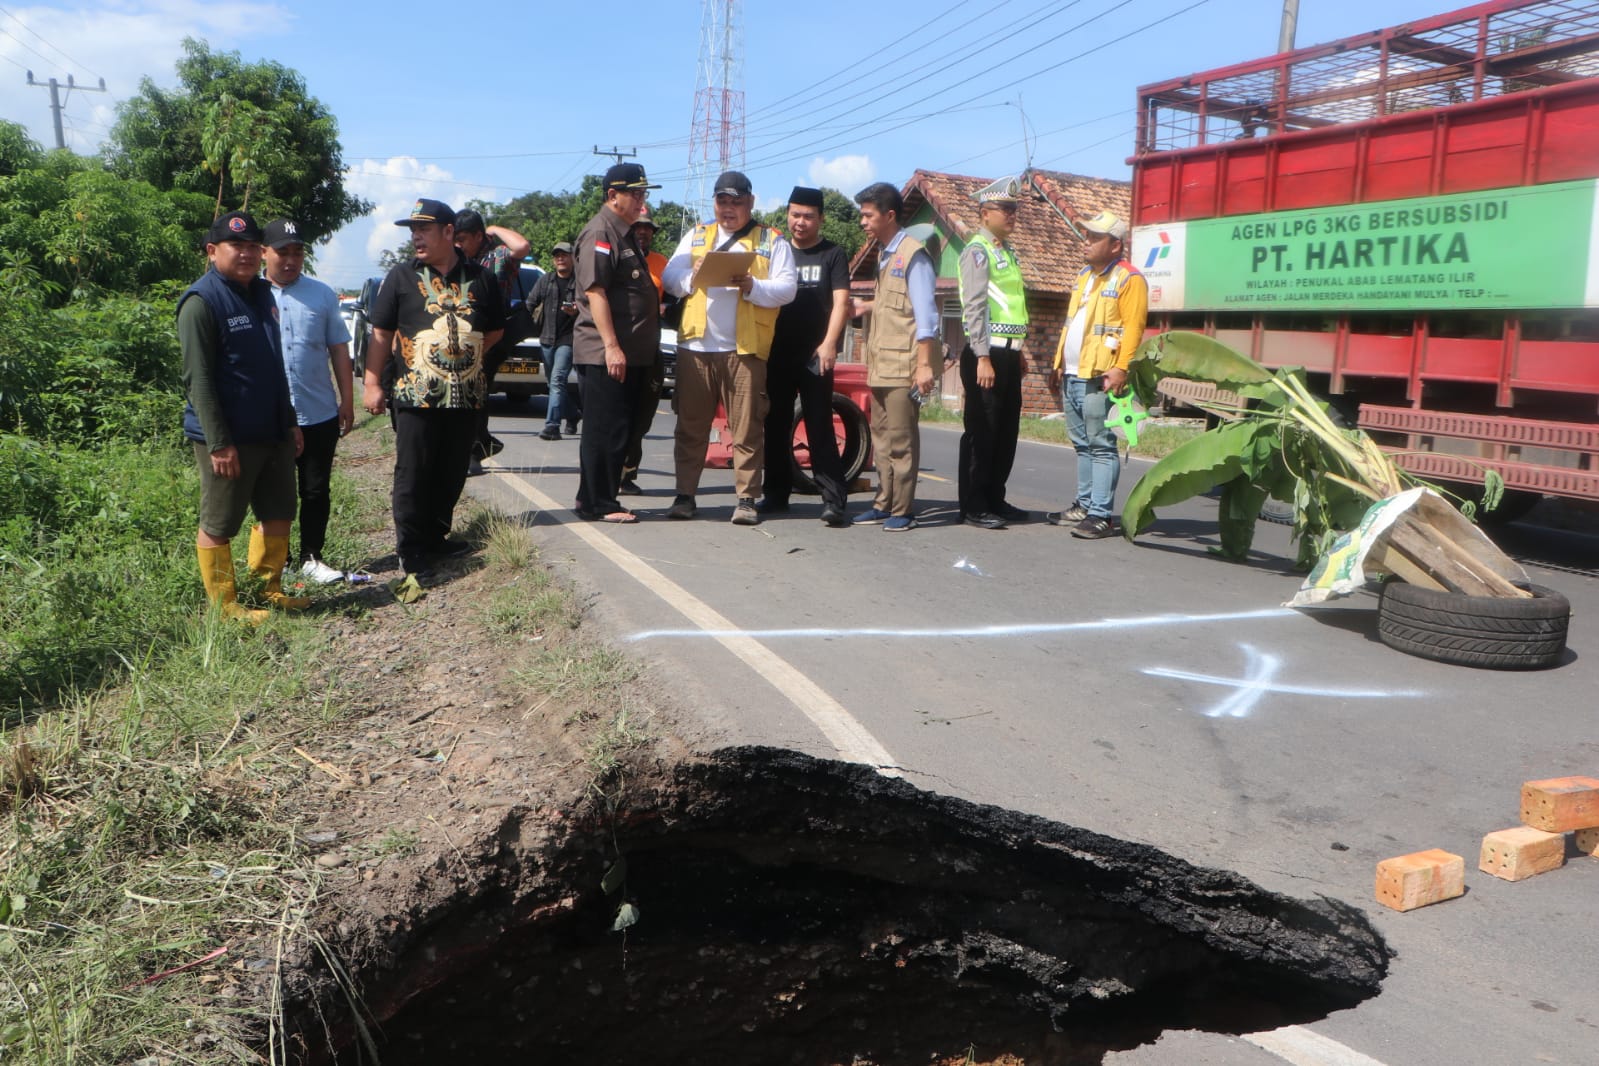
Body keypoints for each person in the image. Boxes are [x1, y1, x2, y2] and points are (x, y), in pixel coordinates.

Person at [361, 198, 504, 576]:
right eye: (413, 231)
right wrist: (373, 382)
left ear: (449, 233)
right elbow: (381, 333)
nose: (416, 238)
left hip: (465, 396)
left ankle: (437, 537)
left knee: (452, 469)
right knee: (414, 472)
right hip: (415, 396)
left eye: (424, 230)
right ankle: (411, 550)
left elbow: (496, 329)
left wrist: (465, 356)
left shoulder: (481, 277)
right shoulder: (401, 277)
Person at [180, 210, 307, 622]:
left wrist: (289, 421)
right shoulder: (202, 302)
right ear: (213, 250)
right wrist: (218, 442)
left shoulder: (262, 294)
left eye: (254, 246)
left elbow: (274, 365)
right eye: (238, 246)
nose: (247, 254)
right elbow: (198, 381)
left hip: (272, 431)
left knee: (279, 510)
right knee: (220, 521)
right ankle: (224, 605)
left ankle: (269, 588)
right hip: (229, 439)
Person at [661, 170, 797, 524]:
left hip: (745, 349)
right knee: (690, 426)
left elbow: (787, 288)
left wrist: (752, 286)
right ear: (715, 202)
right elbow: (670, 278)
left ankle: (747, 499)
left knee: (747, 427)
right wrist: (694, 276)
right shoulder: (697, 235)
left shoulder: (771, 240)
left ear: (751, 202)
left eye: (737, 201)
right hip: (696, 347)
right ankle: (685, 495)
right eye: (723, 200)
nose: (729, 208)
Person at [262, 218, 354, 584]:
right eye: (282, 252)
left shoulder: (322, 295)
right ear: (263, 253)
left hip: (318, 411)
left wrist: (347, 401)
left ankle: (312, 557)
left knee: (316, 489)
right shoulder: (250, 295)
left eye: (297, 252)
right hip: (269, 418)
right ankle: (276, 561)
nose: (290, 260)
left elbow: (339, 351)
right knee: (275, 492)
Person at [1048, 210, 1148, 539]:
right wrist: (1059, 362)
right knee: (1081, 443)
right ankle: (1084, 504)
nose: (1086, 241)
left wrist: (1121, 367)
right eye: (1087, 235)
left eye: (1094, 237)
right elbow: (1073, 324)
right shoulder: (1084, 276)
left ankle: (1101, 514)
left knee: (1101, 445)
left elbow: (1134, 327)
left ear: (1115, 245)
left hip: (1099, 376)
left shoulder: (1128, 278)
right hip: (1073, 373)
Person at [571, 163, 662, 523]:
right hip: (603, 351)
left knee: (614, 427)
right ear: (613, 196)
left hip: (628, 353)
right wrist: (612, 345)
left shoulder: (623, 232)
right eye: (635, 193)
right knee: (605, 429)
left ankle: (590, 497)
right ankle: (600, 503)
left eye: (644, 193)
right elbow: (596, 292)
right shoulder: (601, 233)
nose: (642, 200)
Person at [849, 182, 938, 532]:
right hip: (881, 364)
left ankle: (903, 509)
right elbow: (894, 308)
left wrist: (925, 365)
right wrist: (866, 305)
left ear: (888, 215)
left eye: (868, 215)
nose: (863, 222)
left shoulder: (912, 254)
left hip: (904, 366)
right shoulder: (885, 255)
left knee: (901, 440)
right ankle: (883, 503)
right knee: (882, 438)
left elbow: (926, 317)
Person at [759, 186, 850, 527]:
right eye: (795, 214)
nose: (800, 222)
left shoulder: (833, 254)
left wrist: (829, 343)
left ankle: (834, 500)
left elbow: (841, 301)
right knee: (776, 424)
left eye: (808, 216)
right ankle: (776, 495)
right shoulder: (777, 252)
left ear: (821, 219)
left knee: (819, 426)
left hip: (815, 355)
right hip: (777, 353)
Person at [957, 179, 1030, 530]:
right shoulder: (977, 251)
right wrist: (982, 355)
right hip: (985, 354)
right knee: (981, 431)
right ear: (985, 214)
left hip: (1008, 354)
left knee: (1005, 431)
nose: (1013, 215)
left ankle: (995, 497)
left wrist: (1020, 351)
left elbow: (1012, 306)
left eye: (1015, 209)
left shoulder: (1008, 251)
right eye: (1006, 210)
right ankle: (974, 504)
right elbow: (974, 307)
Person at [454, 209, 530, 474]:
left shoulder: (497, 257)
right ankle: (482, 442)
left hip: (495, 334)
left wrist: (495, 227)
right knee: (474, 390)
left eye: (463, 238)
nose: (458, 244)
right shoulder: (460, 260)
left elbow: (522, 246)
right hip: (468, 336)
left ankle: (476, 448)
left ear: (478, 235)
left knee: (478, 390)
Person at [619, 206, 668, 495]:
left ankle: (628, 473)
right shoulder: (618, 259)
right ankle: (611, 472)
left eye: (647, 228)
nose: (642, 232)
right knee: (620, 413)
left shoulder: (662, 263)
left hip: (651, 347)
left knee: (643, 415)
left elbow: (677, 296)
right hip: (621, 348)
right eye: (637, 227)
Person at [530, 242, 582, 441]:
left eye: (564, 255)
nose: (560, 258)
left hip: (569, 340)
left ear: (572, 258)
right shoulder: (545, 280)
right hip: (547, 338)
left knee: (558, 380)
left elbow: (590, 308)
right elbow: (530, 303)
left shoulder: (580, 283)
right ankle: (573, 414)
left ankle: (552, 426)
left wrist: (576, 310)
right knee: (553, 384)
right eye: (557, 255)